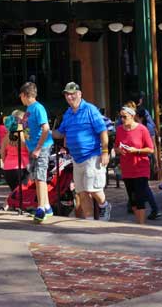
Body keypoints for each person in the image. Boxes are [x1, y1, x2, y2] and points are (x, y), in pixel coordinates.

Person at [50, 82, 111, 220]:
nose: (70, 97)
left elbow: (102, 131)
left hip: (92, 156)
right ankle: (89, 221)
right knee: (82, 192)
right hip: (76, 158)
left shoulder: (90, 109)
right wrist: (45, 132)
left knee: (93, 189)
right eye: (67, 94)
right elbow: (60, 133)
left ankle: (104, 205)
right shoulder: (68, 113)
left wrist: (105, 151)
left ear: (79, 94)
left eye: (72, 94)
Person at [19, 82, 55, 222]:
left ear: (24, 95)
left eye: (21, 96)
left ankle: (40, 208)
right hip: (33, 147)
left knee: (40, 176)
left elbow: (45, 128)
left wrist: (39, 148)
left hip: (41, 147)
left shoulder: (38, 108)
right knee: (36, 177)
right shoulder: (28, 110)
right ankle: (46, 206)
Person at [115, 105, 156, 224]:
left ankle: (142, 225)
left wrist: (136, 150)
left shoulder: (142, 129)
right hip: (127, 169)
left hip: (140, 168)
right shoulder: (119, 130)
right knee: (132, 199)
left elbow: (151, 149)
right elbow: (116, 146)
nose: (122, 119)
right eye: (120, 117)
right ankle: (138, 222)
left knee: (139, 199)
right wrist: (119, 150)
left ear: (132, 116)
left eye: (124, 117)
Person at [1, 110, 30, 190]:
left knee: (14, 194)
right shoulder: (25, 134)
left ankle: (7, 203)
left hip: (8, 169)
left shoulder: (6, 136)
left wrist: (7, 162)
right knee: (23, 195)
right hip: (22, 168)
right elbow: (30, 151)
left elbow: (2, 153)